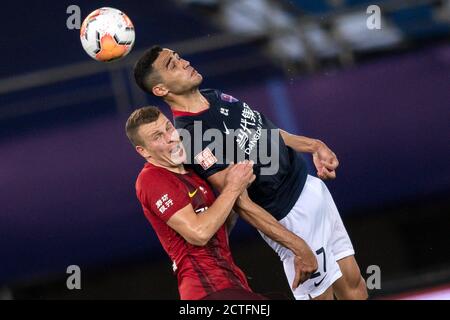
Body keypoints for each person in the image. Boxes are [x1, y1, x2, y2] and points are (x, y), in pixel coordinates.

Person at [133, 46, 368, 300]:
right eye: (172, 65)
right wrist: (297, 245)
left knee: (355, 287)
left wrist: (313, 145)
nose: (184, 62)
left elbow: (264, 132)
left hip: (308, 186)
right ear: (160, 89)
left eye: (179, 57)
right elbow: (240, 202)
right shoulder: (190, 134)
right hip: (289, 215)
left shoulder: (214, 95)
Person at [126, 106, 266, 300]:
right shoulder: (152, 179)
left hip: (231, 284)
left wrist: (238, 187)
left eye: (169, 127)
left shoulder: (192, 172)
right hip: (207, 290)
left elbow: (217, 230)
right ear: (144, 151)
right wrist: (232, 188)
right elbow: (199, 234)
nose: (171, 137)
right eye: (157, 136)